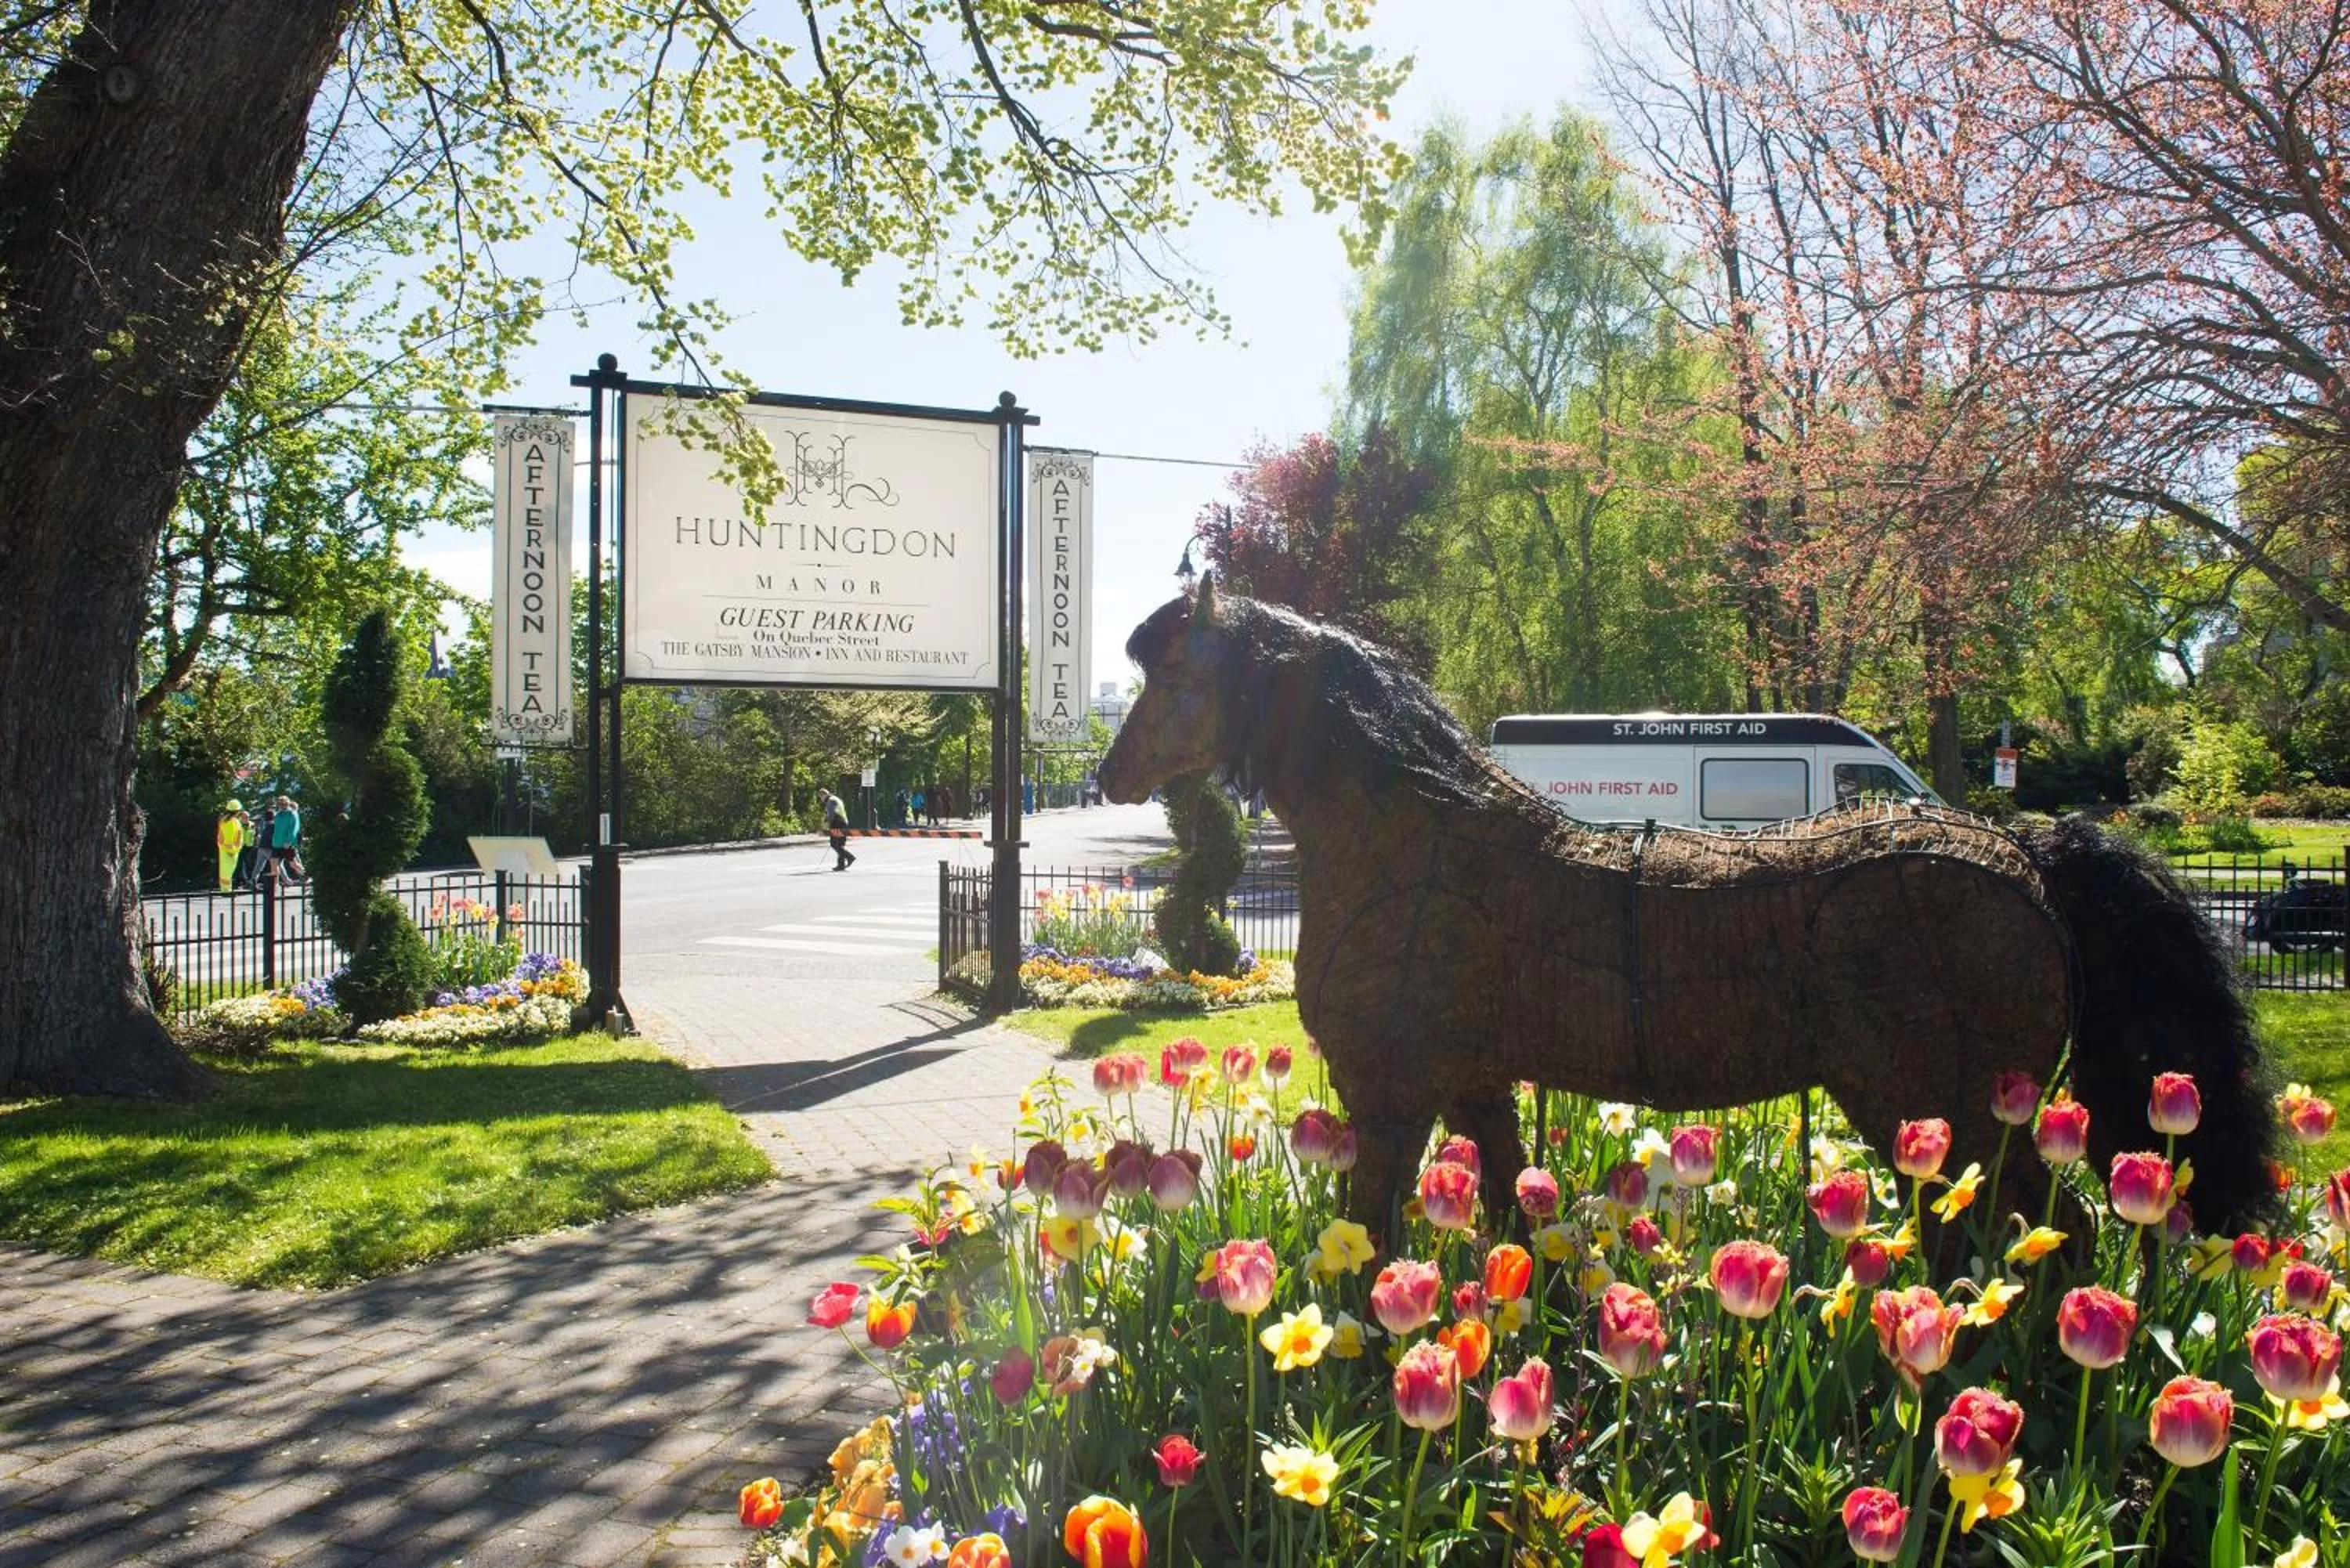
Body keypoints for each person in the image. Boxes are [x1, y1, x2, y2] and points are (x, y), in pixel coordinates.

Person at [269, 794, 303, 882]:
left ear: (287, 804)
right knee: (273, 865)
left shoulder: (293, 814)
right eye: (280, 804)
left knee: (293, 864)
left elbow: (294, 829)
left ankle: (307, 876)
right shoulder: (278, 815)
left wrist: (289, 842)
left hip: (287, 844)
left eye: (283, 804)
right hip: (276, 844)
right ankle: (274, 887)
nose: (281, 806)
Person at [215, 799, 245, 893]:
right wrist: (233, 850)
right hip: (231, 850)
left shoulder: (223, 820)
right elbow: (234, 836)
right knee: (228, 871)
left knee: (225, 870)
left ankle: (225, 889)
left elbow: (221, 837)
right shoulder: (233, 822)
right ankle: (227, 891)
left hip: (224, 849)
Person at [824, 790, 855, 870]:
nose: (821, 799)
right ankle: (841, 865)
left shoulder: (830, 801)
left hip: (837, 823)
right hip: (843, 822)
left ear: (824, 795)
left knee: (834, 844)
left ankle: (850, 857)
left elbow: (831, 815)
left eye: (821, 797)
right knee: (840, 844)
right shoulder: (836, 799)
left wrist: (827, 823)